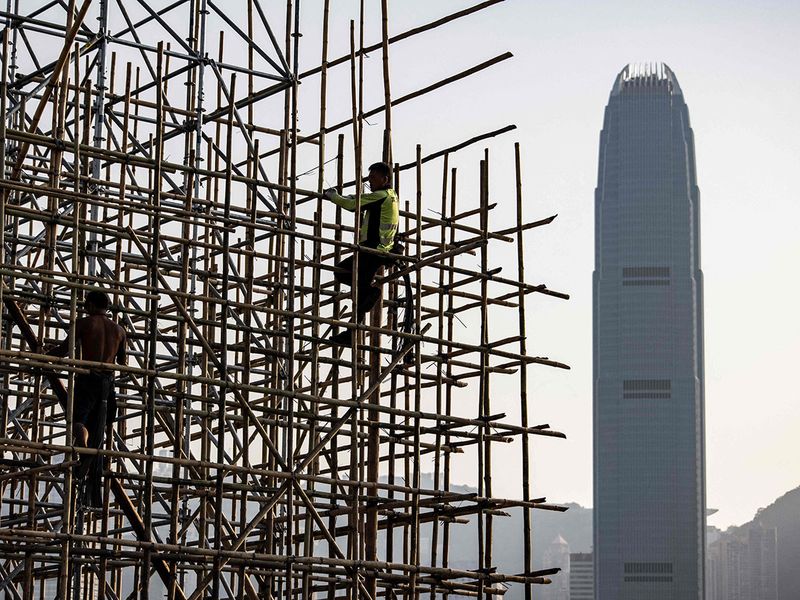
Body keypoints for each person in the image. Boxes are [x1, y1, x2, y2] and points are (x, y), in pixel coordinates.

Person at [48, 289, 126, 508]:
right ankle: (93, 456)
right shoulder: (120, 330)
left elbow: (63, 350)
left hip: (88, 377)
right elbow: (122, 361)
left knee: (78, 419)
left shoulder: (83, 323)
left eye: (85, 303)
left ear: (91, 305)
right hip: (107, 384)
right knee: (101, 425)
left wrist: (42, 355)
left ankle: (83, 446)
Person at [324, 161, 400, 345]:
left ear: (385, 179)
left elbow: (352, 205)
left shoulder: (381, 196)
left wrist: (332, 196)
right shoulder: (390, 196)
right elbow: (361, 199)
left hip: (372, 250)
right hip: (381, 250)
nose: (370, 181)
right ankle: (352, 333)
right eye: (369, 178)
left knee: (341, 271)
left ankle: (370, 293)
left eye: (373, 178)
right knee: (359, 290)